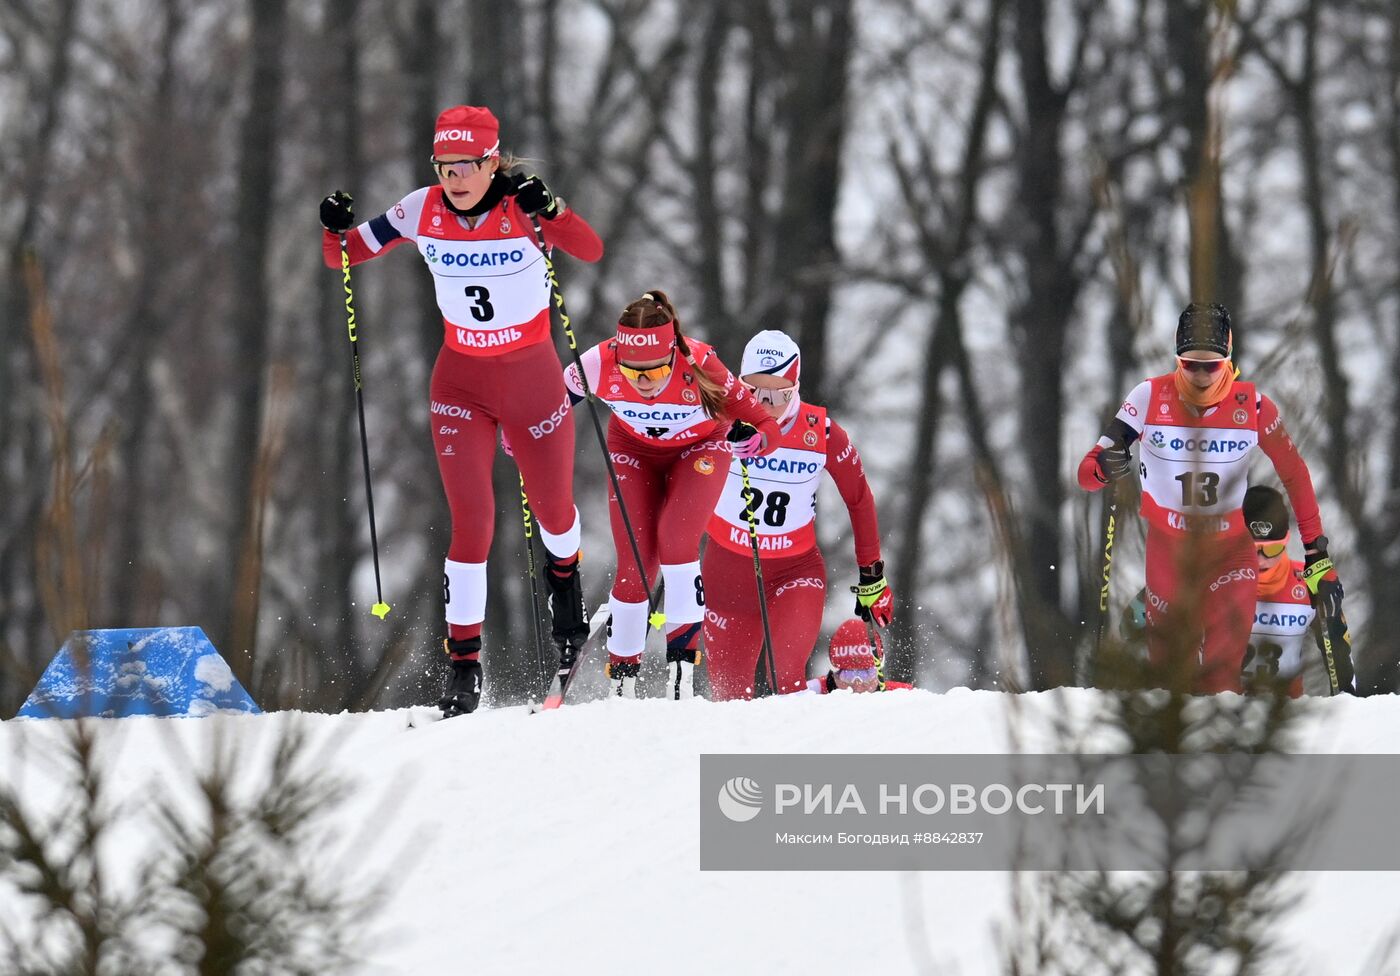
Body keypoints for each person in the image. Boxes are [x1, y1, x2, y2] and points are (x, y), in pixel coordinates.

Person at [318, 105, 603, 717]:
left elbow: (591, 247)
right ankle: (464, 669)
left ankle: (568, 615)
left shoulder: (520, 208)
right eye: (444, 167)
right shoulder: (421, 208)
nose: (455, 179)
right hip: (460, 384)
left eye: (467, 166)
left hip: (531, 381)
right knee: (471, 523)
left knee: (554, 513)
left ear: (493, 161)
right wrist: (333, 228)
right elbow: (343, 254)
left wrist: (552, 211)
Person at [1076, 303, 1343, 693]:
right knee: (1170, 684)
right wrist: (1104, 465)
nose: (1200, 375)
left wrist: (1315, 546)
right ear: (1176, 359)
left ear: (1229, 359)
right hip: (1168, 550)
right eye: (1190, 365)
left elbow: (1295, 474)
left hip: (1231, 550)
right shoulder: (1149, 397)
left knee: (1221, 676)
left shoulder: (1251, 406)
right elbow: (1087, 475)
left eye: (1211, 366)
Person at [564, 291, 780, 699]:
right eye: (631, 373)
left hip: (698, 451)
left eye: (655, 371)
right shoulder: (596, 362)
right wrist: (525, 436)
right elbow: (550, 409)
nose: (644, 383)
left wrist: (759, 440)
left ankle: (680, 672)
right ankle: (622, 681)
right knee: (635, 566)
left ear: (673, 354)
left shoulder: (700, 362)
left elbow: (765, 421)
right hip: (633, 453)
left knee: (677, 543)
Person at [701, 330, 892, 700]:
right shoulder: (715, 422)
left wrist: (872, 574)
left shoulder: (820, 433)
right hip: (725, 578)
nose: (766, 404)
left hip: (794, 574)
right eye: (755, 393)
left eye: (779, 394)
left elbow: (859, 498)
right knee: (729, 701)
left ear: (796, 387)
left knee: (784, 680)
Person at [1241, 485, 1355, 695]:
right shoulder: (1215, 581)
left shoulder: (1306, 582)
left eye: (1272, 548)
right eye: (1252, 548)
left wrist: (1348, 699)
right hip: (1221, 713)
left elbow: (1340, 651)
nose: (1261, 559)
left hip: (1280, 717)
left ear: (1285, 541)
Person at [803, 619, 912, 694]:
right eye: (848, 675)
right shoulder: (810, 695)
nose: (858, 687)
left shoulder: (904, 696)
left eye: (867, 674)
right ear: (833, 675)